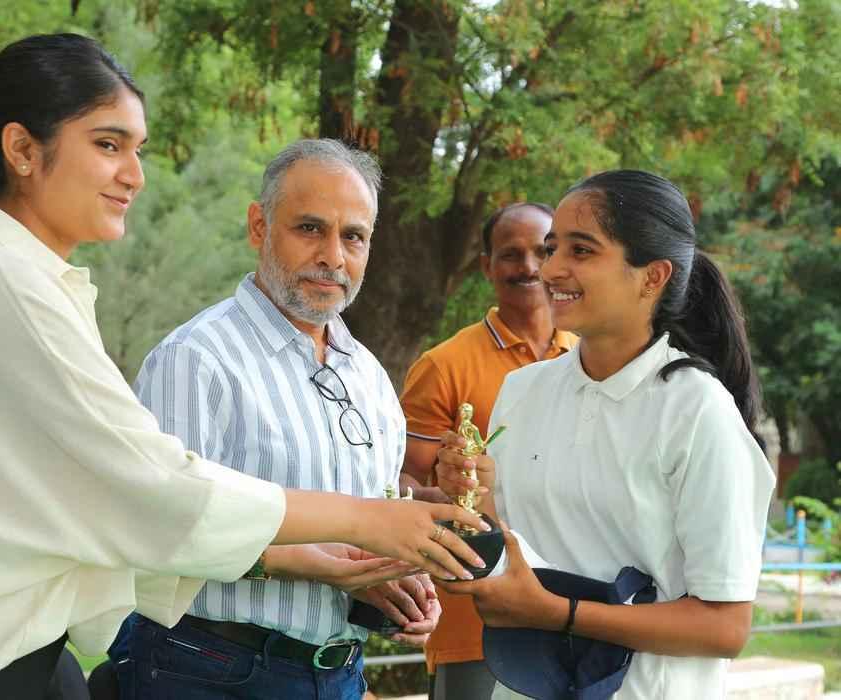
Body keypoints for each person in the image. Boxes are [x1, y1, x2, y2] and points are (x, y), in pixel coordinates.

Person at [0, 34, 487, 700]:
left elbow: (103, 507)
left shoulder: (29, 282)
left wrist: (343, 556)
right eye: (109, 144)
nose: (135, 174)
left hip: (16, 651)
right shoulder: (4, 285)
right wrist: (364, 521)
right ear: (22, 150)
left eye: (137, 149)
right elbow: (154, 485)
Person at [105, 138, 446, 700]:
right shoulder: (196, 360)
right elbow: (153, 533)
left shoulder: (370, 377)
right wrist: (303, 565)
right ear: (259, 227)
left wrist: (390, 583)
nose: (333, 256)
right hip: (207, 669)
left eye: (353, 236)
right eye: (310, 228)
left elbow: (363, 535)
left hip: (338, 675)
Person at [436, 170, 775, 698]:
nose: (550, 269)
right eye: (553, 248)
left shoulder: (695, 409)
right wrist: (472, 501)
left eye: (581, 250)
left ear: (652, 276)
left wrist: (557, 612)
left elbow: (725, 627)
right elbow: (522, 551)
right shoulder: (523, 390)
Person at [398, 202, 576, 699]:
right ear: (486, 265)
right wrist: (454, 494)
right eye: (511, 254)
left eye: (543, 251)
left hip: (578, 616)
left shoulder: (591, 359)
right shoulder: (444, 365)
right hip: (475, 627)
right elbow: (400, 486)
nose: (529, 267)